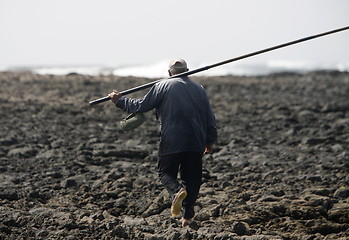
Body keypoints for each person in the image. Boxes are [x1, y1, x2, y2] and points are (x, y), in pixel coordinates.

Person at [108, 59, 217, 227]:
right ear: (187, 71)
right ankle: (187, 217)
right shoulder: (200, 89)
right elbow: (210, 118)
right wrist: (209, 141)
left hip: (172, 138)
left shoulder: (162, 86)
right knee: (192, 177)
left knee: (165, 172)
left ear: (169, 73)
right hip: (196, 138)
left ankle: (176, 191)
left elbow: (141, 106)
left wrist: (119, 101)